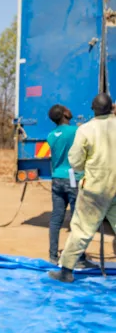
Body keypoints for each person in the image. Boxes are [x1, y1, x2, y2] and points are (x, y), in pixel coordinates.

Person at [49, 93, 116, 283]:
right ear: (111, 107)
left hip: (95, 188)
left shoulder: (85, 130)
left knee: (81, 229)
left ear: (93, 109)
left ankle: (66, 271)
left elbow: (76, 161)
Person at [46, 105, 92, 267]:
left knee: (56, 219)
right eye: (68, 109)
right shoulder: (75, 132)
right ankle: (78, 259)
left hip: (57, 179)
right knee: (77, 221)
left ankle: (53, 256)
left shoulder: (51, 135)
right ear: (65, 114)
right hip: (73, 178)